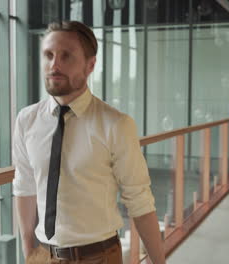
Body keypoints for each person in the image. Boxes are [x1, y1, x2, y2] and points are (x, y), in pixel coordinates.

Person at [12, 21, 166, 264]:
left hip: (98, 257)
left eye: (66, 56)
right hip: (42, 256)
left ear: (90, 64)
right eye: (48, 55)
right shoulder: (26, 120)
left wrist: (159, 261)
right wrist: (29, 248)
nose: (54, 65)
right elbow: (25, 185)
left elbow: (139, 199)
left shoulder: (116, 125)